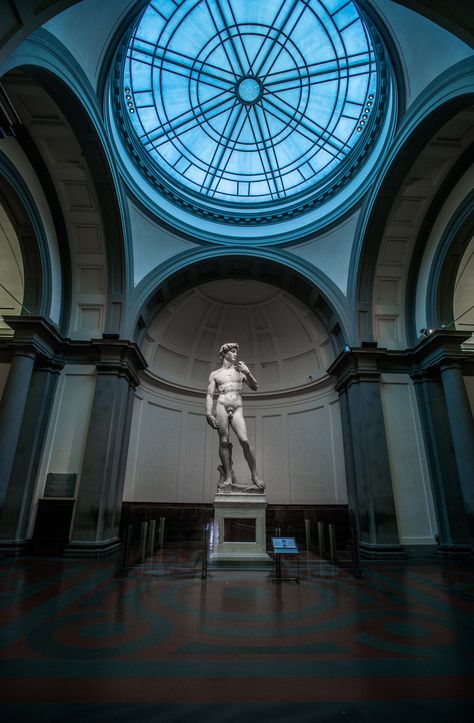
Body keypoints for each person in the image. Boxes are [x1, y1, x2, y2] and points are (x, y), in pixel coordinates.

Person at [206, 342, 264, 491]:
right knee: (224, 441)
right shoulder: (215, 374)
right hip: (221, 405)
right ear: (224, 353)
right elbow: (209, 395)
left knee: (244, 440)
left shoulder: (241, 372)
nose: (235, 354)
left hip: (237, 407)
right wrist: (208, 412)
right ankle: (228, 477)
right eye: (232, 351)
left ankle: (255, 475)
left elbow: (255, 386)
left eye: (236, 352)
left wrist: (248, 372)